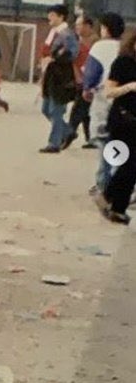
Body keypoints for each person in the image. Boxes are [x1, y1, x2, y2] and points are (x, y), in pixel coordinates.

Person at [94, 32, 136, 224]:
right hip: (123, 118)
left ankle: (111, 199)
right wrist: (130, 87)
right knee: (129, 164)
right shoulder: (123, 62)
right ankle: (115, 204)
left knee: (131, 166)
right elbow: (109, 91)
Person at [83, 12, 125, 195]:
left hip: (105, 95)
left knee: (102, 138)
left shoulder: (100, 46)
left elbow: (93, 72)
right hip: (125, 97)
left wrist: (87, 88)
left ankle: (105, 182)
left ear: (105, 29)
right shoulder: (126, 47)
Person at [39, 4, 79, 153]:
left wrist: (55, 58)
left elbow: (72, 53)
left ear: (61, 17)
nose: (49, 17)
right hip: (50, 73)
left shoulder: (68, 34)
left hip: (61, 75)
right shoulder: (53, 32)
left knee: (56, 110)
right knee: (46, 108)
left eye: (53, 14)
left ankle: (54, 143)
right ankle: (68, 131)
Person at [63, 14, 98, 149]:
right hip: (79, 79)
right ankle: (91, 137)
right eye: (76, 25)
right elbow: (73, 61)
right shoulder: (76, 41)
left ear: (88, 26)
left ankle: (70, 132)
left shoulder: (96, 43)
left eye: (80, 24)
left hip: (91, 80)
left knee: (79, 108)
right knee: (85, 109)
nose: (77, 27)